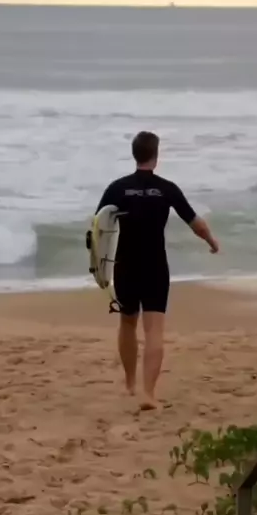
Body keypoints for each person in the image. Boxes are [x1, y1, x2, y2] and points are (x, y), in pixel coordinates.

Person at [95, 131, 219, 411]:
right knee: (154, 330)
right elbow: (195, 223)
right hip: (154, 265)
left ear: (134, 154)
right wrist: (212, 242)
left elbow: (97, 228)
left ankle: (130, 382)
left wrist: (99, 268)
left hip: (125, 265)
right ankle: (148, 394)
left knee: (127, 323)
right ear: (156, 155)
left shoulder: (117, 188)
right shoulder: (166, 189)